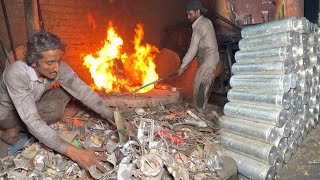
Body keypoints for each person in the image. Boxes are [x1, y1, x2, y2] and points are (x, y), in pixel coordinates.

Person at [0, 31, 115, 171]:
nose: (56, 67)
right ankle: (9, 131)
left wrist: (113, 116)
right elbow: (32, 120)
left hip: (32, 101)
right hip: (7, 115)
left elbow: (83, 92)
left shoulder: (56, 67)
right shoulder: (16, 73)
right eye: (49, 63)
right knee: (55, 109)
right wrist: (76, 153)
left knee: (67, 90)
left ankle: (18, 129)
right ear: (34, 62)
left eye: (58, 60)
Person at [178, 0, 219, 112]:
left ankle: (200, 110)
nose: (188, 17)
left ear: (197, 12)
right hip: (208, 58)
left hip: (209, 59)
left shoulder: (199, 26)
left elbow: (192, 49)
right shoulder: (206, 22)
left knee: (198, 83)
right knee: (203, 85)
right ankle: (201, 108)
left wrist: (183, 66)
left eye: (190, 14)